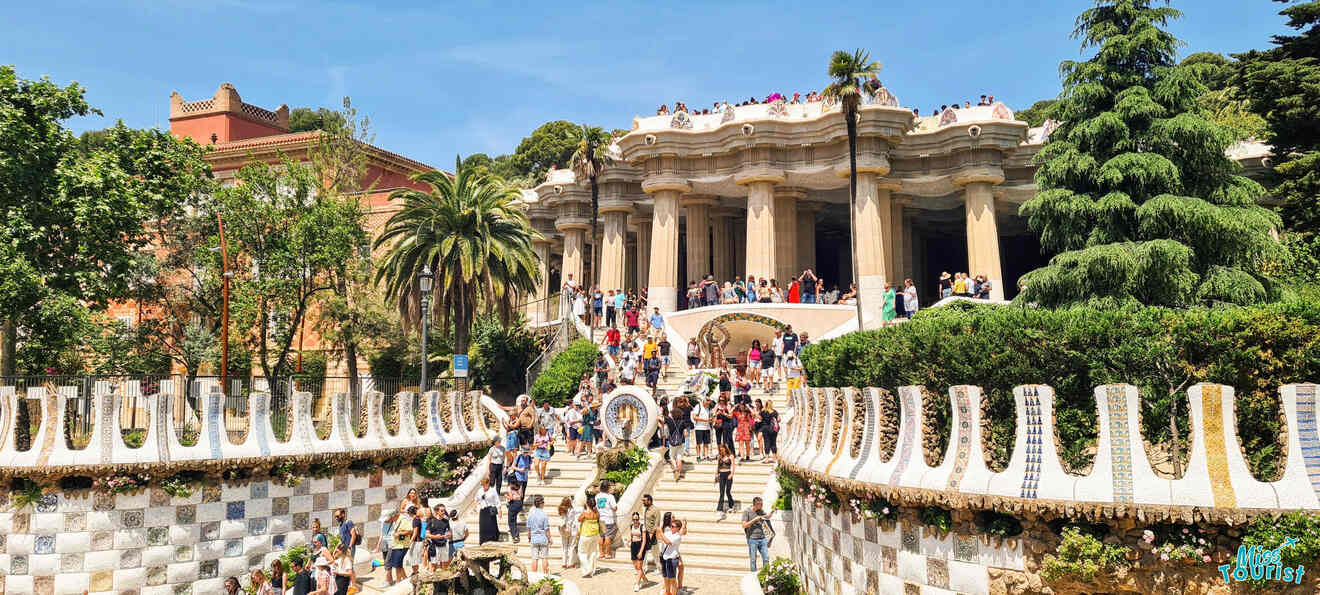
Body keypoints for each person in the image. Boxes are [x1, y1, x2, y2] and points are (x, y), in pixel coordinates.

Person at [657, 515, 687, 595]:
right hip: (664, 558)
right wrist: (658, 532)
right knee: (666, 578)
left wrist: (660, 533)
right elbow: (659, 538)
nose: (671, 527)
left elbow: (668, 542)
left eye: (673, 526)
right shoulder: (667, 532)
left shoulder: (677, 536)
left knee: (672, 579)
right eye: (671, 526)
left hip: (672, 559)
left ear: (678, 528)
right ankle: (667, 592)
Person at [742, 497, 773, 571]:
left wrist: (772, 512)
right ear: (755, 504)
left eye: (762, 504)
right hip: (752, 539)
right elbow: (744, 525)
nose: (762, 505)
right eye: (760, 504)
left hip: (762, 538)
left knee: (766, 558)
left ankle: (766, 576)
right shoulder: (747, 511)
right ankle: (753, 576)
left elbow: (767, 517)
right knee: (753, 559)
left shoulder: (761, 511)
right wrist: (754, 520)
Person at [578, 496, 602, 578]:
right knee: (593, 552)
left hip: (585, 534)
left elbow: (579, 519)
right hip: (595, 535)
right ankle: (592, 570)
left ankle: (587, 569)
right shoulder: (597, 513)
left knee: (582, 553)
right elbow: (598, 518)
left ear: (587, 504)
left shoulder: (585, 513)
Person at [527, 494, 552, 574]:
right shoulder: (544, 515)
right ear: (541, 504)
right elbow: (546, 529)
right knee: (544, 558)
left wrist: (529, 537)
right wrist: (549, 538)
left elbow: (529, 528)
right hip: (543, 538)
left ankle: (534, 575)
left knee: (534, 558)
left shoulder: (530, 515)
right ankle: (545, 574)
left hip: (534, 538)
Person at [596, 481, 619, 559]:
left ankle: (601, 553)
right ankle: (607, 553)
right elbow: (615, 508)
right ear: (608, 488)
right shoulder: (610, 497)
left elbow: (596, 507)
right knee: (608, 537)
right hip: (609, 519)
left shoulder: (597, 496)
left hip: (600, 519)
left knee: (601, 536)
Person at [426, 503, 451, 570]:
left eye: (444, 511)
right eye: (442, 511)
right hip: (434, 546)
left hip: (444, 545)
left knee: (445, 566)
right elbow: (427, 534)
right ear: (437, 511)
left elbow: (449, 532)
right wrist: (435, 537)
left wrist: (448, 535)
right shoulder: (431, 521)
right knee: (434, 567)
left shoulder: (446, 521)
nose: (444, 512)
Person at [558, 496, 580, 570]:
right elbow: (574, 519)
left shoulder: (561, 509)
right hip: (572, 529)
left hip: (563, 529)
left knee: (564, 547)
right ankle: (570, 563)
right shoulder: (572, 510)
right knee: (571, 546)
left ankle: (564, 563)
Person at [628, 511, 649, 591]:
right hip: (633, 546)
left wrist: (641, 551)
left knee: (639, 567)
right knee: (636, 566)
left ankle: (637, 584)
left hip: (640, 546)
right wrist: (628, 541)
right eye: (634, 519)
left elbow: (644, 540)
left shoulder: (642, 527)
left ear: (639, 519)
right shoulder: (631, 526)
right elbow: (631, 535)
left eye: (636, 519)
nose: (635, 521)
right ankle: (645, 580)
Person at [664, 407, 686, 480]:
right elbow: (685, 434)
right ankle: (678, 471)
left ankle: (676, 469)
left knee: (672, 457)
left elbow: (660, 418)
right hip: (681, 442)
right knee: (679, 457)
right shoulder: (683, 422)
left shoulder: (669, 420)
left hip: (672, 442)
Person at [716, 445, 736, 520]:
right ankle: (719, 509)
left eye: (722, 449)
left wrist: (731, 474)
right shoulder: (719, 456)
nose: (722, 451)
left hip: (728, 474)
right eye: (720, 450)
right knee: (721, 492)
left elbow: (733, 466)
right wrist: (716, 475)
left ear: (725, 449)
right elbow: (718, 466)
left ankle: (731, 505)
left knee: (728, 491)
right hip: (721, 474)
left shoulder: (731, 456)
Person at [478, 477, 500, 544]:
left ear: (488, 483)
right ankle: (483, 540)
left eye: (484, 484)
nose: (483, 486)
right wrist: (477, 506)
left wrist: (499, 509)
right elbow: (476, 499)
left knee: (491, 525)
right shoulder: (480, 490)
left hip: (490, 510)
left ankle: (492, 539)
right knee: (483, 526)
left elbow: (497, 501)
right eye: (482, 485)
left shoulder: (493, 490)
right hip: (483, 511)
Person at [691, 396, 712, 461]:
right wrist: (705, 420)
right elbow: (694, 417)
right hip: (699, 427)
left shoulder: (708, 407)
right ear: (704, 400)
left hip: (707, 427)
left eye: (709, 401)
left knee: (706, 443)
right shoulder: (698, 406)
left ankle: (706, 456)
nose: (708, 403)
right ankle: (698, 456)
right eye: (707, 401)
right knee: (698, 443)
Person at [507, 473, 525, 544]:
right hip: (519, 503)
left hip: (513, 504)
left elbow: (511, 498)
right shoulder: (520, 486)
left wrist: (506, 496)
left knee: (511, 520)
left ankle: (515, 536)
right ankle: (515, 531)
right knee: (514, 518)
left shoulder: (509, 487)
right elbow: (521, 496)